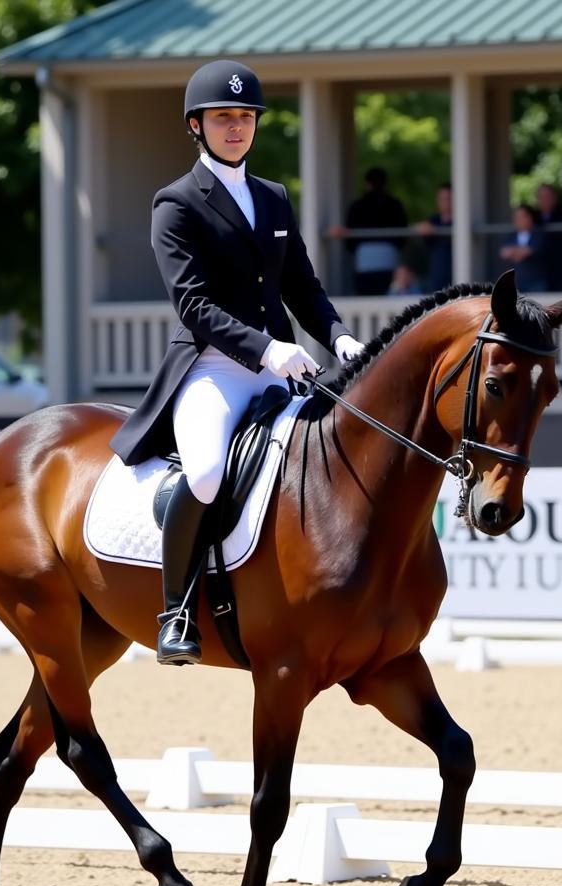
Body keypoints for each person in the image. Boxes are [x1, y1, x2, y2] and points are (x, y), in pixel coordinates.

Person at [109, 60, 364, 666]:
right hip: (215, 367)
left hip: (282, 364)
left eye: (245, 117)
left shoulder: (273, 198)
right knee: (203, 475)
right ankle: (175, 611)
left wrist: (340, 337)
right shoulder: (175, 203)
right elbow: (193, 304)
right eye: (223, 118)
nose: (236, 128)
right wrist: (267, 348)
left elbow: (302, 285)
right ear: (196, 126)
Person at [328, 167, 408, 295]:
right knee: (388, 295)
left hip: (364, 261)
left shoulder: (358, 206)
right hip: (389, 258)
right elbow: (403, 237)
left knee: (367, 295)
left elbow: (350, 242)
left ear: (367, 184)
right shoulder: (394, 204)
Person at [536, 183, 562, 291]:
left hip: (560, 265)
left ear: (555, 198)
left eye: (548, 196)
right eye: (541, 197)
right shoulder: (533, 217)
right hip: (540, 267)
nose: (545, 200)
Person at [499, 205, 548, 292]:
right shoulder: (511, 235)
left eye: (521, 216)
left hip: (535, 282)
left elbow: (530, 251)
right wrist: (520, 251)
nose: (517, 220)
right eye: (515, 217)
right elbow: (503, 253)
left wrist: (514, 252)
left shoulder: (538, 233)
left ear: (529, 217)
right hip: (515, 282)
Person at [414, 183, 453, 292]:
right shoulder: (434, 220)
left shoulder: (460, 221)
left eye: (448, 198)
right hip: (437, 275)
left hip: (454, 273)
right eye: (441, 198)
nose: (445, 202)